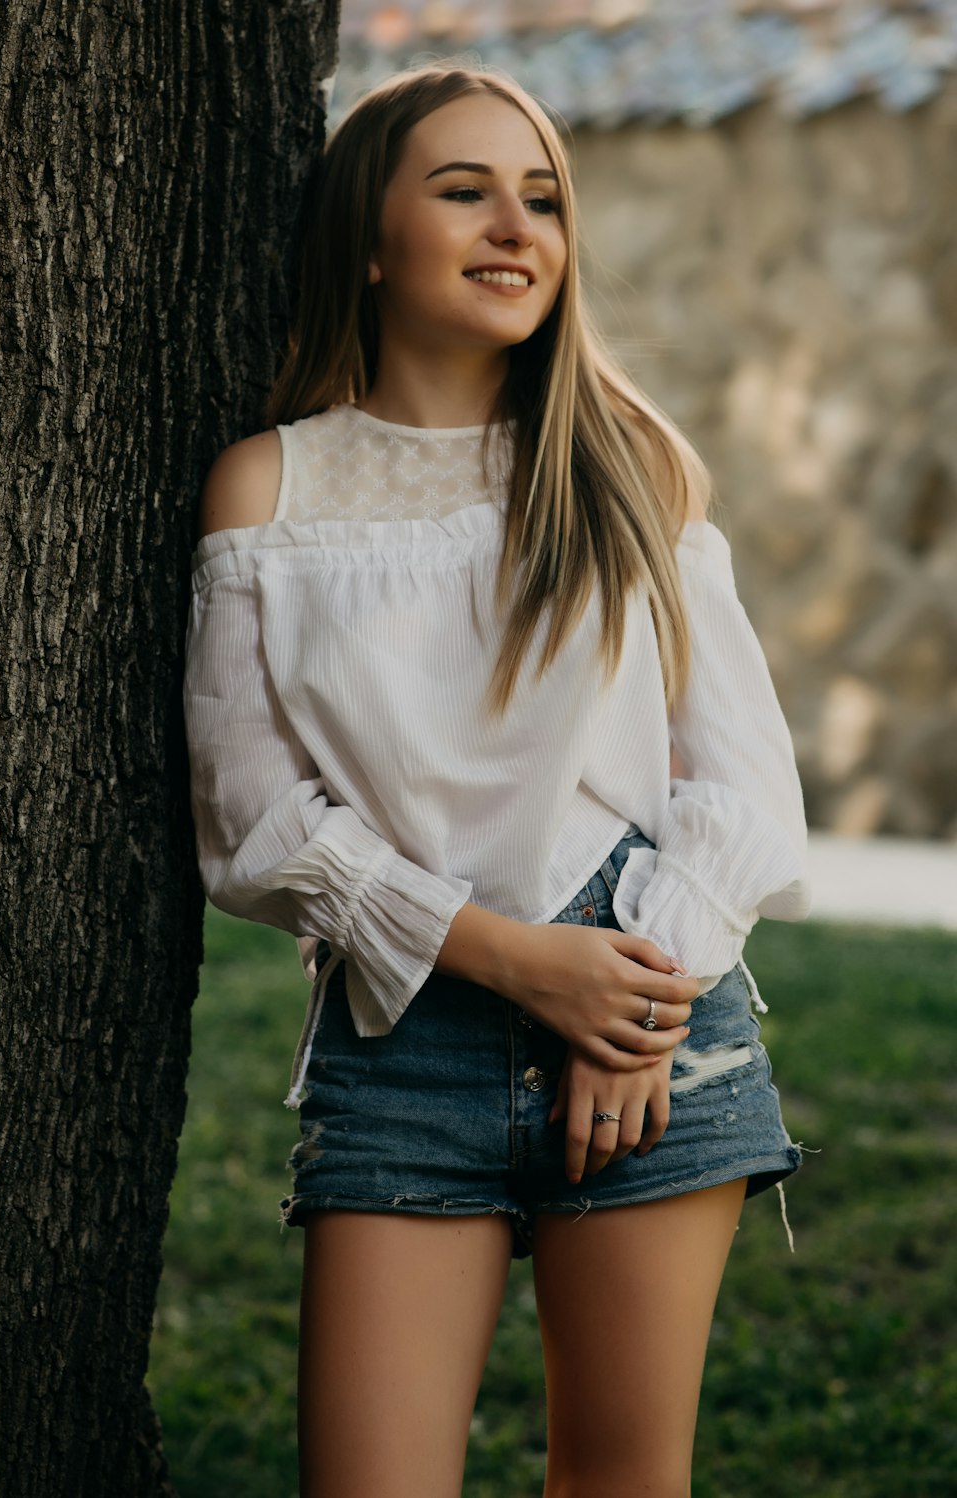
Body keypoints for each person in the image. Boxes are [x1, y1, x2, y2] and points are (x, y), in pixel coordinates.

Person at [184, 62, 811, 1498]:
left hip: (650, 1025)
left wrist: (635, 1003)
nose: (514, 226)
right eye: (462, 190)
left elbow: (740, 782)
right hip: (411, 1040)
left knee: (618, 1479)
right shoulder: (269, 492)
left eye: (543, 199)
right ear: (368, 235)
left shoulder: (628, 465)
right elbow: (254, 823)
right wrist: (520, 962)